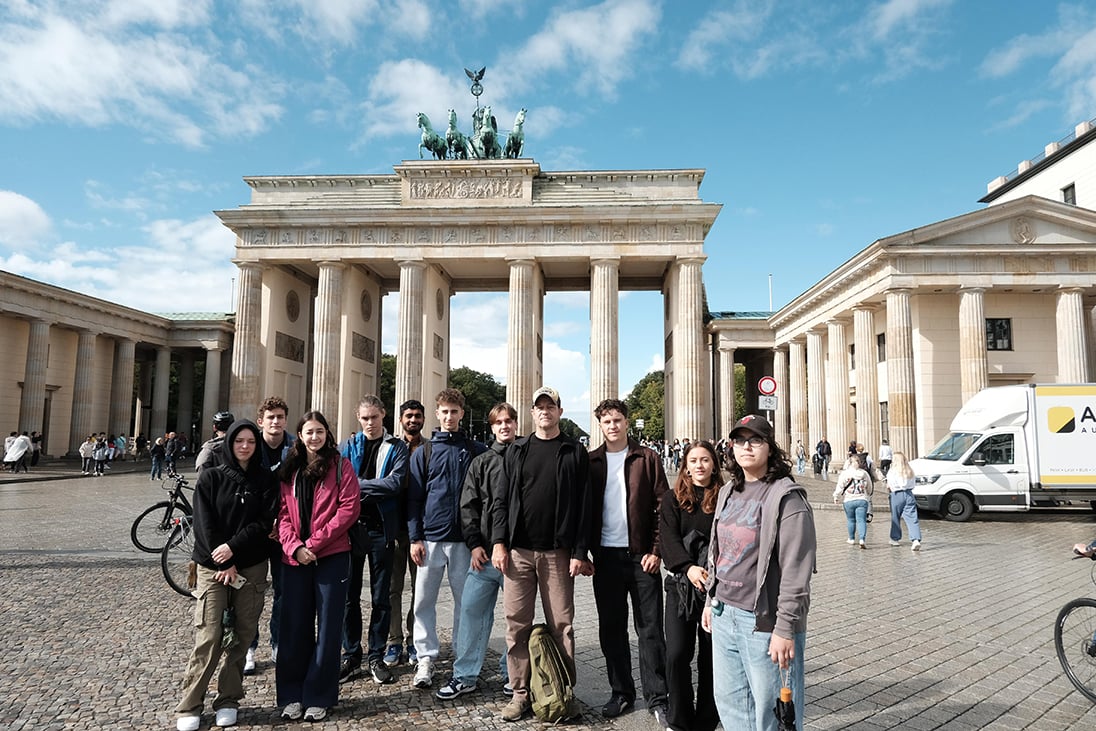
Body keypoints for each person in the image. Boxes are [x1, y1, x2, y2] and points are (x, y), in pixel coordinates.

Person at [703, 414, 816, 731]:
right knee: (731, 704)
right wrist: (710, 599)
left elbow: (796, 570)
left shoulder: (787, 497)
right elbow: (717, 551)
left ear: (770, 448)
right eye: (739, 440)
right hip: (725, 614)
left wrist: (785, 628)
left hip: (763, 621)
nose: (746, 447)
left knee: (773, 714)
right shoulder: (728, 491)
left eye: (755, 440)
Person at [491, 386, 593, 722]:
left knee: (562, 625)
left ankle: (564, 693)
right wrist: (499, 542)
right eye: (540, 407)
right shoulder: (517, 450)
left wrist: (580, 551)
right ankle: (520, 693)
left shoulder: (573, 451)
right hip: (518, 552)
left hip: (558, 553)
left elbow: (584, 506)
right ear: (532, 413)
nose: (545, 411)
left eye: (551, 406)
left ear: (560, 412)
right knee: (516, 625)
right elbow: (501, 500)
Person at [173, 419, 277, 731]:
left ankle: (229, 699)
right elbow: (203, 523)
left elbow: (265, 522)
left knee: (242, 635)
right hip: (212, 566)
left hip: (251, 564)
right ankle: (190, 703)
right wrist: (222, 561)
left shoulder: (265, 479)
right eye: (239, 441)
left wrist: (232, 548)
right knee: (209, 634)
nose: (245, 446)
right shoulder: (211, 477)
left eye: (251, 442)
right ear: (229, 443)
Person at [588, 399, 670, 727]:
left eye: (618, 420)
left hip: (641, 557)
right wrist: (583, 552)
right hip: (606, 557)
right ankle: (621, 692)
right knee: (612, 630)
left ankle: (658, 697)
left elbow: (663, 506)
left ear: (626, 421)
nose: (613, 426)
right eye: (607, 421)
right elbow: (582, 510)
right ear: (600, 425)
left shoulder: (647, 458)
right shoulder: (591, 462)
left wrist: (656, 550)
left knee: (650, 630)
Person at [275, 411, 360, 723]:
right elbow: (282, 514)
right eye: (309, 432)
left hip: (331, 555)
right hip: (295, 557)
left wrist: (313, 544)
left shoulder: (341, 466)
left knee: (328, 629)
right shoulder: (289, 468)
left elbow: (348, 510)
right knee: (294, 627)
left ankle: (319, 695)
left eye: (320, 431)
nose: (315, 437)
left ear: (327, 434)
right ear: (300, 435)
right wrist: (295, 547)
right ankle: (291, 695)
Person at [436, 402, 517, 700]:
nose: (504, 426)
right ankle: (465, 674)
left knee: (516, 619)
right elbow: (468, 506)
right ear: (492, 426)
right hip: (483, 555)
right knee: (471, 611)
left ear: (516, 423)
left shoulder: (525, 458)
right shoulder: (481, 462)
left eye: (508, 421)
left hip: (516, 555)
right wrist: (474, 545)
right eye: (498, 422)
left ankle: (513, 673)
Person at [407, 388, 486, 689]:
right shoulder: (424, 452)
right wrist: (415, 537)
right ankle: (425, 657)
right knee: (423, 601)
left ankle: (462, 658)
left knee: (465, 604)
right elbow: (414, 499)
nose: (449, 416)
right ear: (437, 414)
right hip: (431, 539)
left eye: (454, 411)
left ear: (461, 414)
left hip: (465, 540)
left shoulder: (476, 450)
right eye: (445, 411)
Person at [338, 395, 408, 686]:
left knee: (381, 597)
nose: (370, 423)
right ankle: (352, 654)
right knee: (349, 597)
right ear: (358, 417)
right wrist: (369, 488)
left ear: (383, 415)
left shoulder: (397, 447)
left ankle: (376, 655)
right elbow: (339, 484)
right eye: (365, 418)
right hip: (351, 529)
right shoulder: (347, 446)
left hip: (381, 529)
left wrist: (357, 487)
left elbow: (396, 483)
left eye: (374, 417)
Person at [659, 440, 722, 731]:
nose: (699, 465)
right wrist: (688, 567)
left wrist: (710, 572)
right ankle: (679, 719)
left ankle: (707, 720)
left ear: (714, 465)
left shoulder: (725, 497)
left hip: (716, 587)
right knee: (676, 654)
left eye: (705, 460)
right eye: (693, 460)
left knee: (711, 657)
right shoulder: (672, 499)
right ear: (685, 465)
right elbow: (667, 538)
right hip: (681, 586)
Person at [253, 396, 294, 672]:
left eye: (280, 417)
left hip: (284, 532)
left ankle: (278, 642)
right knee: (251, 593)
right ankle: (249, 645)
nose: (276, 421)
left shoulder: (296, 448)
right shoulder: (249, 445)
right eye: (271, 417)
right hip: (256, 531)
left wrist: (283, 523)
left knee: (284, 592)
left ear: (286, 420)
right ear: (261, 421)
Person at [384, 399, 426, 668]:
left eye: (417, 416)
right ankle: (394, 640)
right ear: (400, 419)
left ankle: (414, 639)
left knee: (419, 589)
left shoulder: (429, 448)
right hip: (393, 526)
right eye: (408, 416)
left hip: (420, 528)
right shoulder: (389, 448)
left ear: (424, 419)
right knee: (392, 588)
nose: (413, 420)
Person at [834, 456, 872, 549]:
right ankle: (862, 539)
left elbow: (840, 486)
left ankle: (851, 539)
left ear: (849, 463)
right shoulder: (864, 473)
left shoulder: (845, 474)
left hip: (849, 500)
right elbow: (869, 486)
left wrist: (836, 496)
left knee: (851, 520)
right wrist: (868, 494)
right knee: (861, 520)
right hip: (862, 499)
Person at [886, 452, 922, 551]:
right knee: (912, 518)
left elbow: (889, 485)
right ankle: (915, 539)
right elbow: (913, 484)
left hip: (896, 494)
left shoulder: (892, 471)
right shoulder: (909, 470)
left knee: (895, 517)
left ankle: (895, 538)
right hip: (909, 494)